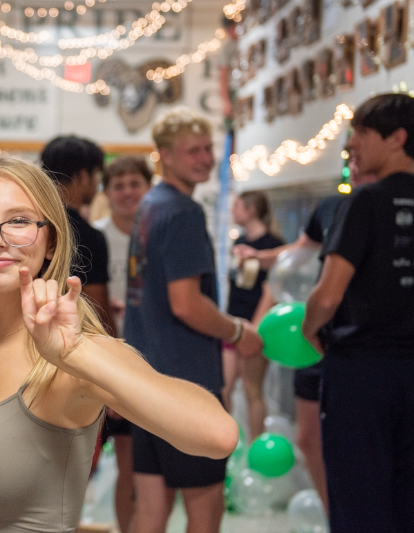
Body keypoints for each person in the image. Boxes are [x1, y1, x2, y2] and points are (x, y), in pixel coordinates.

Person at [0, 155, 238, 533]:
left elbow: (218, 435)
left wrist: (76, 354)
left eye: (18, 221)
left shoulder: (70, 357)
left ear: (51, 242)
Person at [302, 93, 414, 533]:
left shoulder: (364, 202)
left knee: (359, 497)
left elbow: (327, 296)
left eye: (362, 133)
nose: (351, 145)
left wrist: (311, 332)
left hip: (361, 373)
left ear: (397, 138)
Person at [124, 110, 263, 533]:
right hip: (186, 384)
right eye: (193, 151)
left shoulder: (149, 204)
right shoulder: (182, 211)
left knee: (150, 508)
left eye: (208, 150)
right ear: (164, 155)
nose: (205, 159)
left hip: (145, 379)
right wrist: (240, 331)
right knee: (205, 509)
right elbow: (186, 303)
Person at [233, 161, 378, 513]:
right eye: (349, 156)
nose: (354, 163)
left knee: (358, 444)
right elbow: (299, 251)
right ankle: (334, 516)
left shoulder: (381, 207)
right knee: (308, 438)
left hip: (358, 343)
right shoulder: (329, 207)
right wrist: (260, 257)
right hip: (313, 340)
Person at [92, 155, 153, 532]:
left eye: (135, 183)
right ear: (107, 193)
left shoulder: (158, 234)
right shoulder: (97, 237)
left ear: (148, 187)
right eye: (119, 185)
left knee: (138, 463)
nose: (128, 192)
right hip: (103, 364)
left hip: (148, 363)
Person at [40, 135, 117, 335]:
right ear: (83, 176)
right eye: (96, 176)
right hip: (75, 344)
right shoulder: (89, 237)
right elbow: (97, 312)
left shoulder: (32, 224)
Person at [222, 191, 283, 439]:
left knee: (252, 390)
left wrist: (255, 328)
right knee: (223, 388)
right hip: (232, 323)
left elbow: (273, 289)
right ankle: (225, 444)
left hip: (256, 326)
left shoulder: (272, 246)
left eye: (237, 206)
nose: (233, 211)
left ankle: (254, 446)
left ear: (250, 210)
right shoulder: (239, 244)